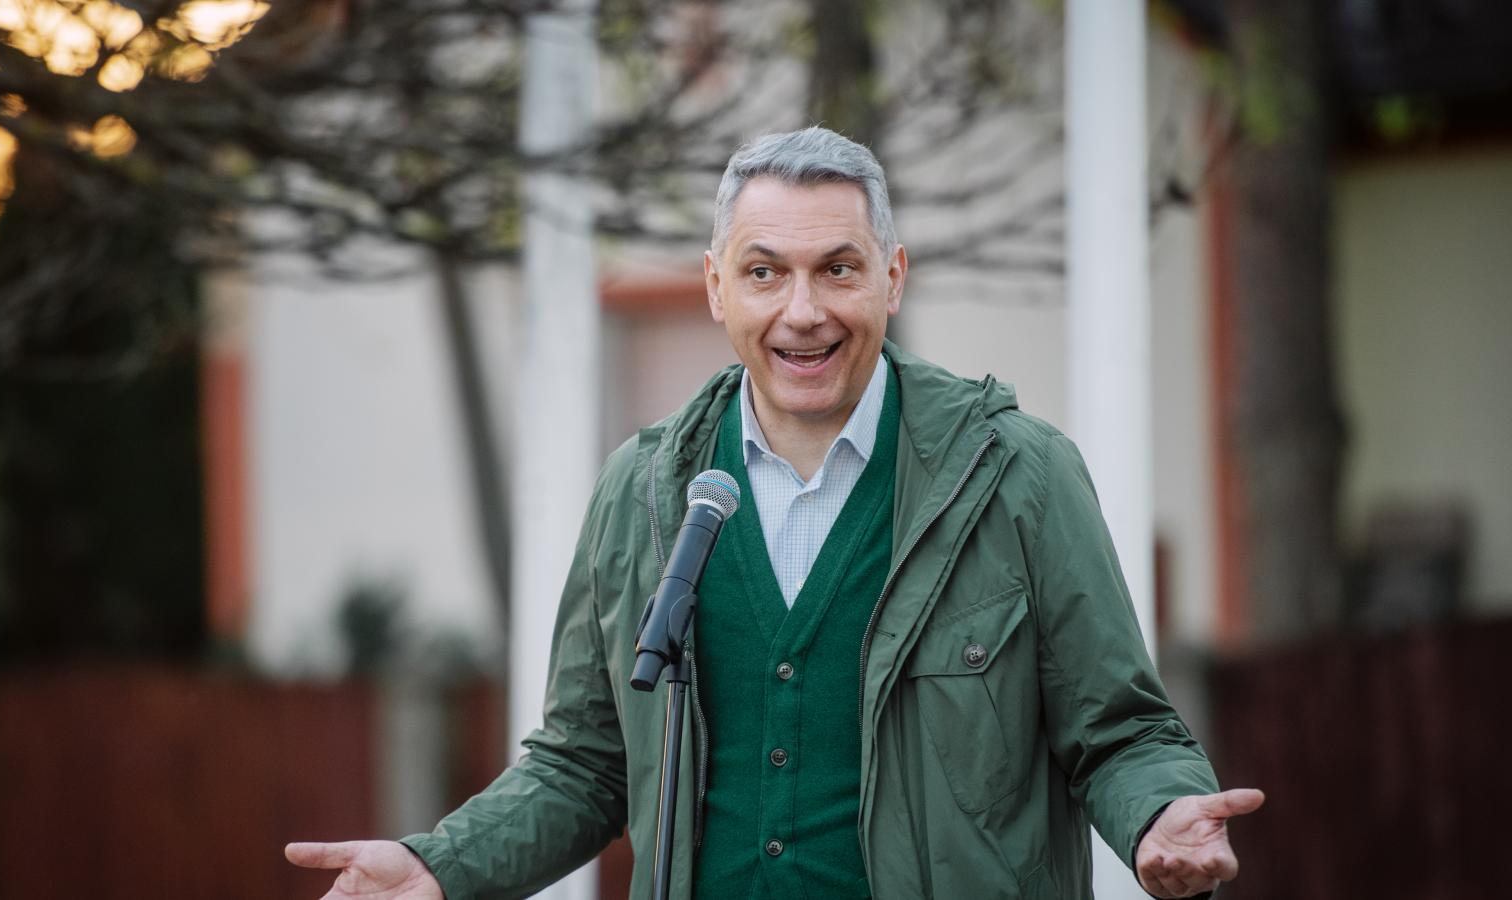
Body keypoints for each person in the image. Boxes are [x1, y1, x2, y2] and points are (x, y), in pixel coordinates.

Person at [287, 127, 1263, 899]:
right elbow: (586, 765)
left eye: (837, 268)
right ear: (717, 287)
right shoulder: (642, 489)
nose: (802, 311)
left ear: (892, 277)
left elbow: (1117, 729)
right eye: (764, 272)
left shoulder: (1018, 475)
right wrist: (442, 867)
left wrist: (1159, 814)